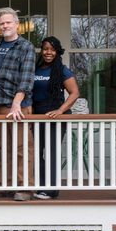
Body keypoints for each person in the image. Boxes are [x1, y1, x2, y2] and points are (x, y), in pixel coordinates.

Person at [0, 7, 35, 202]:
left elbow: (26, 78)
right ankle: (4, 185)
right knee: (2, 146)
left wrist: (17, 103)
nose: (5, 26)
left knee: (21, 146)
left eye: (8, 22)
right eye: (2, 23)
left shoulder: (25, 47)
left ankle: (24, 187)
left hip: (18, 104)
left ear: (17, 24)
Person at [33, 36, 79, 200]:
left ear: (57, 51)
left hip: (54, 117)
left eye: (52, 49)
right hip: (36, 116)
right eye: (45, 49)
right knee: (36, 152)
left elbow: (74, 93)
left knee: (51, 152)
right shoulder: (35, 68)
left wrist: (60, 110)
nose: (48, 52)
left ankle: (51, 189)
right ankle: (42, 186)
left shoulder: (62, 70)